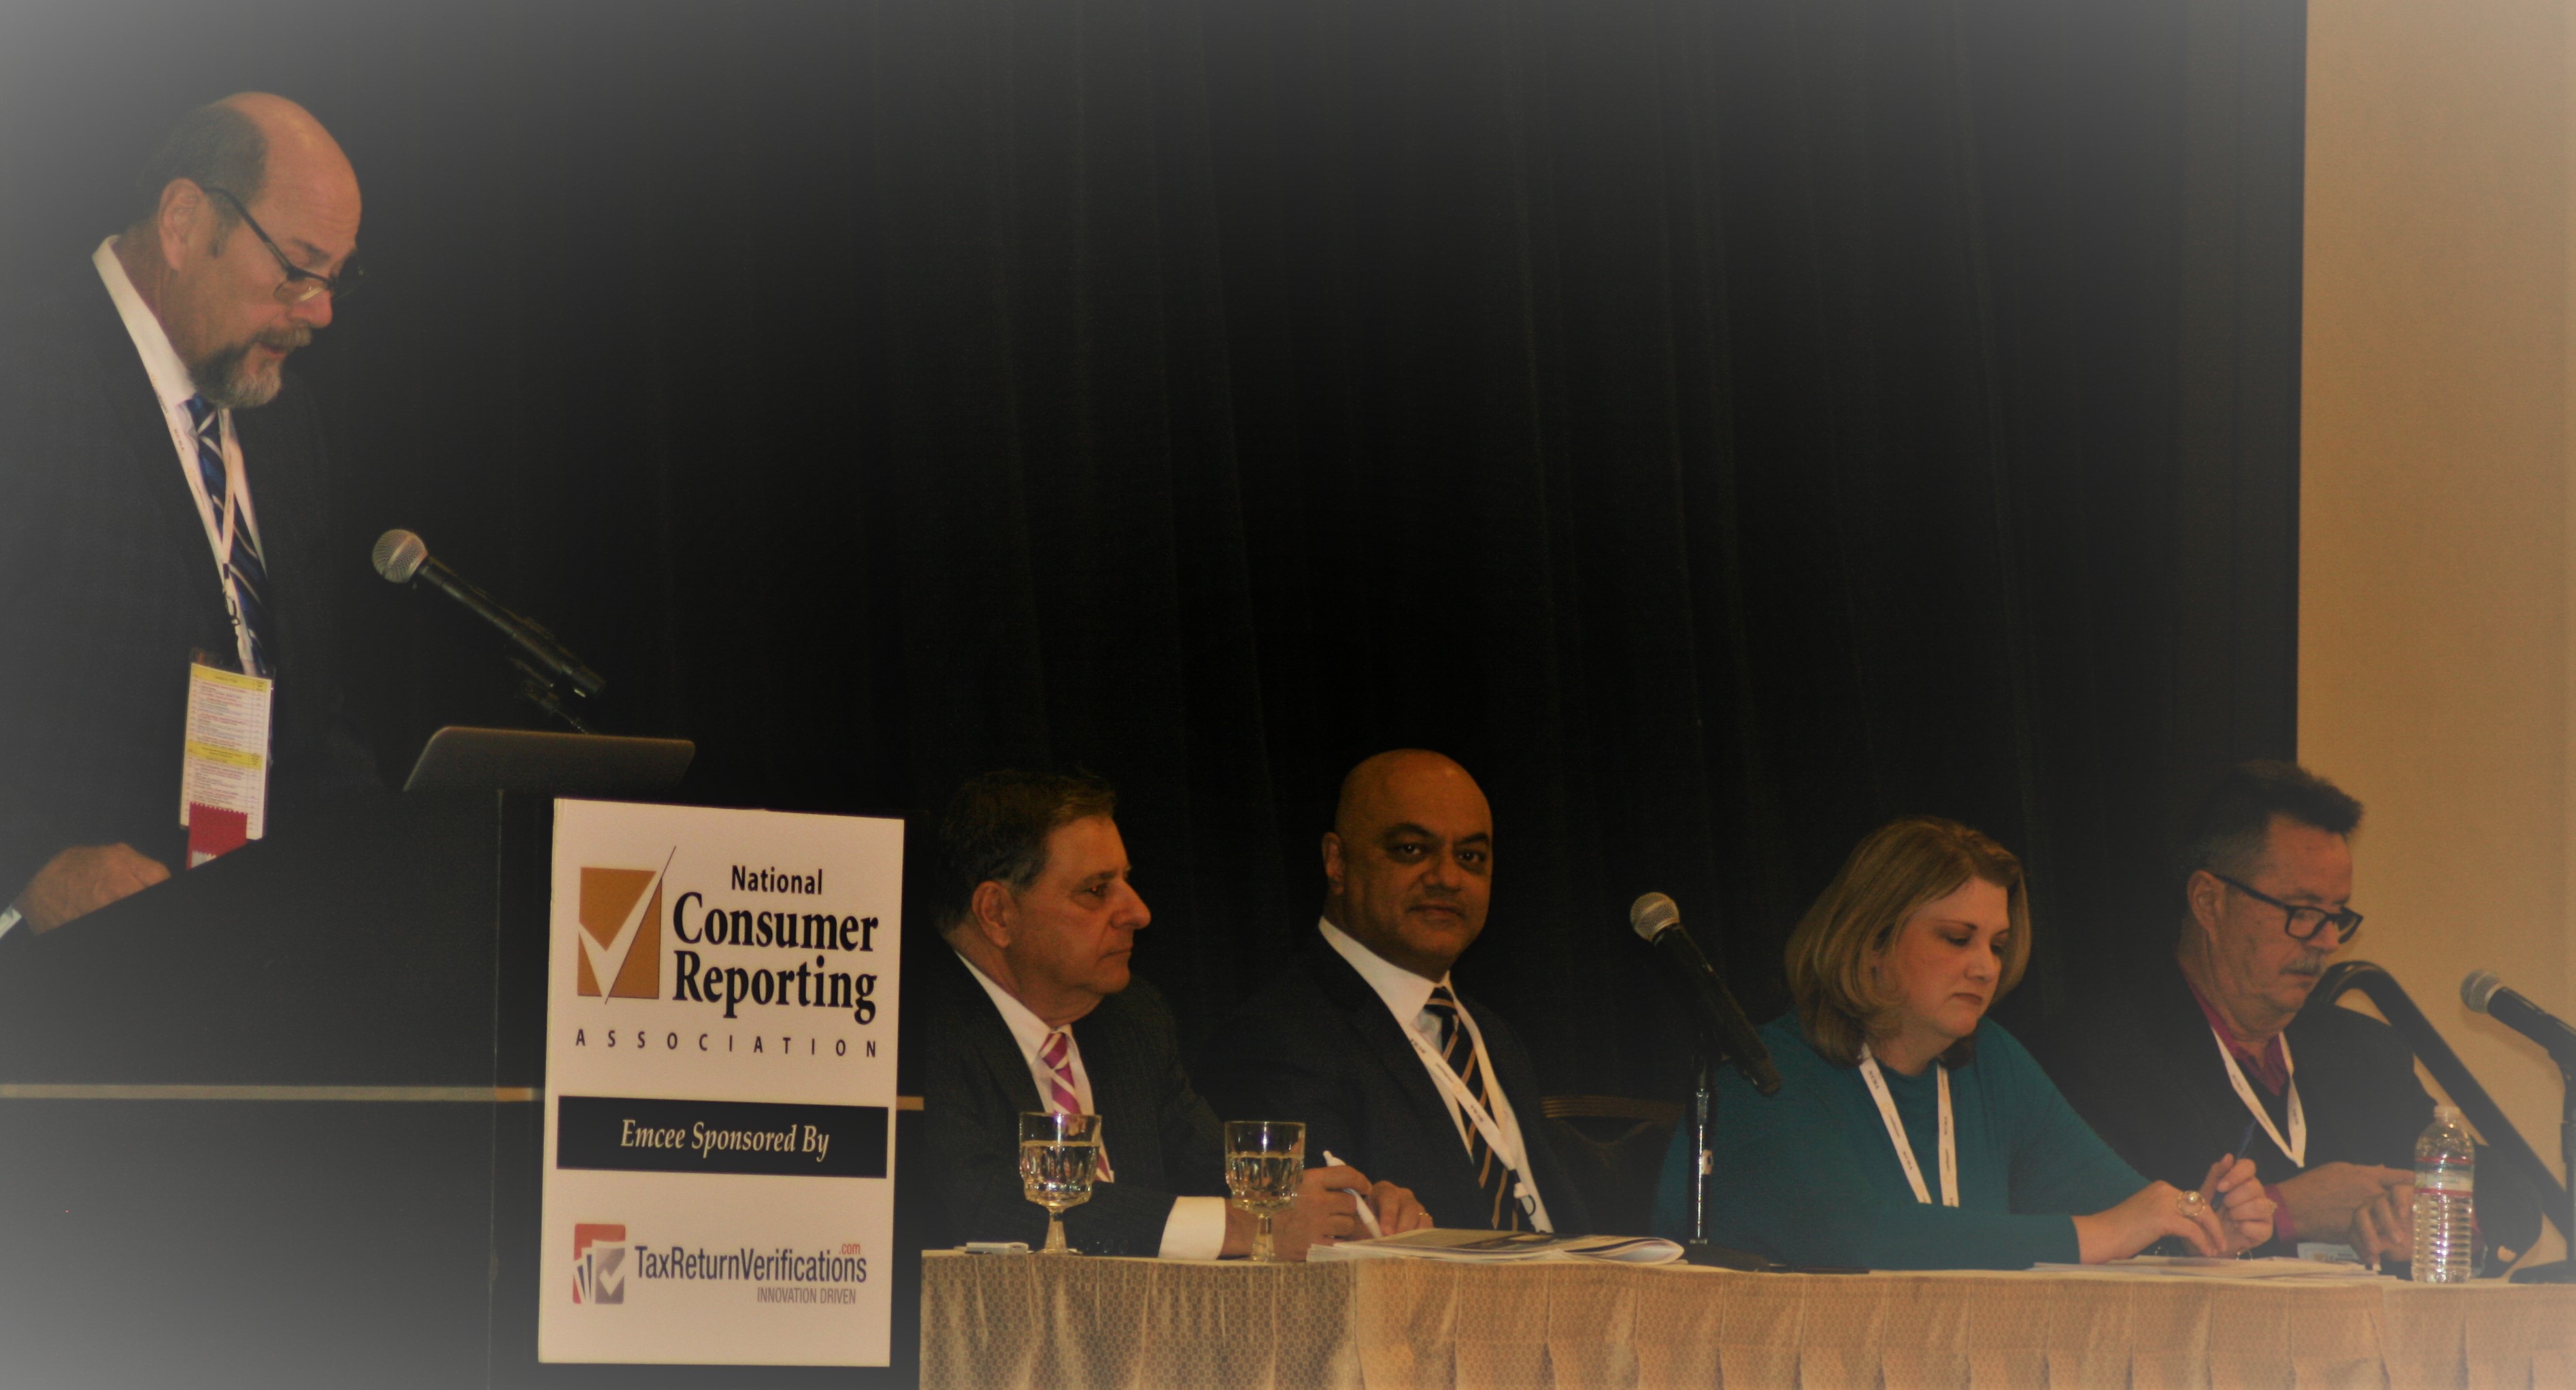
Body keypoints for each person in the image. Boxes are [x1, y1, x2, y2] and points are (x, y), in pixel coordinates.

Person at [0, 94, 373, 942]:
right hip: (59, 976)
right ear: (181, 223)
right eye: (299, 266)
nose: (320, 310)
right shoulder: (21, 376)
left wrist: (404, 855)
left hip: (244, 955)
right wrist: (28, 864)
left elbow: (313, 723)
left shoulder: (285, 423)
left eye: (337, 276)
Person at [1650, 816, 2273, 1269]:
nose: (1984, 967)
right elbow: (1850, 1238)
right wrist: (2105, 1231)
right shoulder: (1766, 1073)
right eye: (1956, 938)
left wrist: (2199, 1223)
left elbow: (2122, 1205)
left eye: (1996, 945)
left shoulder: (1990, 1060)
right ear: (1872, 940)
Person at [2026, 761, 2539, 1270]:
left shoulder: (2364, 1053)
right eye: (2302, 911)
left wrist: (2428, 1220)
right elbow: (2084, 1245)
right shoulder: (2095, 1059)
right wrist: (2284, 1211)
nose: (2327, 940)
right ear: (2208, 902)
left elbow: (2513, 1198)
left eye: (2336, 914)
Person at [916, 769, 1431, 1257]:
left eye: (1126, 880)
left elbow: (1219, 1173)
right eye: (1096, 890)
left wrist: (1348, 1206)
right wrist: (1244, 1225)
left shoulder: (1132, 1019)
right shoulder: (911, 1029)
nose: (1138, 912)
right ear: (997, 913)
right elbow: (977, 1202)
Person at [1199, 750, 1592, 1234]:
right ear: (1337, 862)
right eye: (1411, 849)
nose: (1447, 877)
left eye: (1470, 857)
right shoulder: (1275, 1039)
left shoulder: (1493, 1036)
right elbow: (1319, 1246)